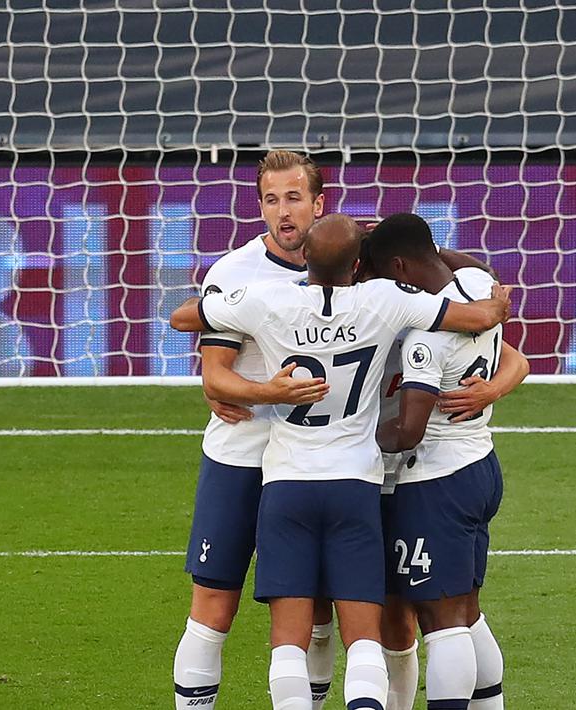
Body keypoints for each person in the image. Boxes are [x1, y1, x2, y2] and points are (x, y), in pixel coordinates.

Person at [170, 214, 510, 710]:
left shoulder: (269, 299)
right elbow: (475, 316)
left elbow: (183, 317)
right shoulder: (388, 300)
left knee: (290, 638)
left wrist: (251, 363)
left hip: (287, 483)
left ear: (303, 258)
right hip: (360, 482)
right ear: (358, 264)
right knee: (372, 637)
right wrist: (496, 304)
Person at [172, 149, 331, 709]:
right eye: (271, 200)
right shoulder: (235, 271)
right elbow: (214, 376)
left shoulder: (354, 266)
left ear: (318, 201)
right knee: (213, 607)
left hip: (315, 465)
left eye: (294, 198)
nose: (283, 212)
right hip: (240, 458)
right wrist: (268, 392)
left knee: (313, 614)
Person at [367, 213, 525, 709]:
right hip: (480, 463)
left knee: (441, 622)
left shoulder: (425, 337)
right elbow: (462, 261)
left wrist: (348, 440)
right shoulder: (477, 286)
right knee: (468, 612)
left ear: (398, 267)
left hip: (434, 480)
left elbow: (408, 430)